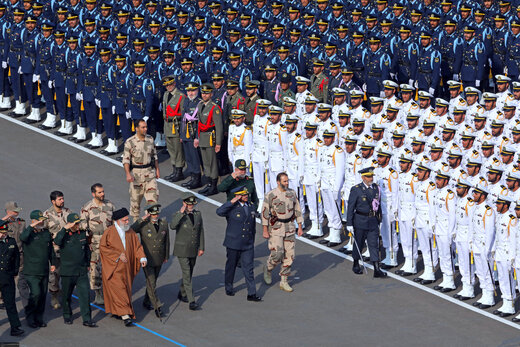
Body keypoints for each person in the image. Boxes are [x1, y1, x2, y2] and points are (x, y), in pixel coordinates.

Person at [100, 208, 147, 326]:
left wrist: (142, 258)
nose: (127, 222)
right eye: (125, 220)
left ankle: (117, 311)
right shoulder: (109, 232)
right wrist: (117, 255)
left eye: (127, 220)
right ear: (117, 221)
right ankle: (126, 315)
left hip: (127, 268)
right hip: (114, 268)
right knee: (120, 290)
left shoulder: (130, 231)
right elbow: (103, 248)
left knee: (126, 289)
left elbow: (137, 246)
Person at [216, 186, 262, 301]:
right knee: (231, 266)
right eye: (243, 195)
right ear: (237, 196)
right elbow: (219, 212)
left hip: (247, 243)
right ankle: (229, 286)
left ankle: (251, 293)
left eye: (246, 194)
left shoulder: (250, 205)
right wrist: (231, 202)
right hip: (234, 242)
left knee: (249, 268)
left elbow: (254, 219)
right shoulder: (232, 207)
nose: (246, 196)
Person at [261, 172, 303, 292]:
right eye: (284, 181)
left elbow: (297, 209)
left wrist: (299, 226)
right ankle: (268, 268)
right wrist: (265, 230)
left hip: (289, 226)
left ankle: (284, 281)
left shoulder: (292, 193)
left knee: (290, 255)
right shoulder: (271, 195)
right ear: (278, 182)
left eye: (287, 181)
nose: (287, 183)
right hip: (276, 227)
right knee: (277, 254)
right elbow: (264, 212)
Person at [54, 213, 97, 327]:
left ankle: (87, 318)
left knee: (85, 295)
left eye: (78, 223)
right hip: (68, 271)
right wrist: (64, 228)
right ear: (70, 224)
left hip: (81, 271)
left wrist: (87, 264)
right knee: (66, 295)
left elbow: (87, 250)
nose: (78, 225)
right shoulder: (63, 235)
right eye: (75, 223)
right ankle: (67, 315)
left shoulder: (82, 234)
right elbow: (57, 242)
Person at [346, 167, 387, 278]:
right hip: (360, 220)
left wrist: (380, 219)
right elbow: (350, 207)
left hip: (373, 220)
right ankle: (355, 263)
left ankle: (376, 269)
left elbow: (378, 206)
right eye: (368, 176)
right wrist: (349, 223)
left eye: (371, 176)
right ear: (363, 177)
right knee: (358, 243)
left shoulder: (376, 188)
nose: (370, 178)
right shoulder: (356, 189)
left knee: (374, 244)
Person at [131, 204, 169, 319]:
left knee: (153, 282)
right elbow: (131, 230)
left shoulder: (163, 224)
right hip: (147, 259)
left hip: (159, 258)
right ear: (149, 214)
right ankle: (157, 306)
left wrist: (166, 255)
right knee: (151, 282)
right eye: (153, 214)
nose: (155, 216)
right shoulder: (144, 225)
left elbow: (166, 241)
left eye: (157, 213)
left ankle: (147, 301)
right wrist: (142, 219)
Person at [80, 183, 115, 305]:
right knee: (95, 267)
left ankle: (109, 291)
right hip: (94, 240)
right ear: (93, 194)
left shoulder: (109, 205)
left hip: (109, 240)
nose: (102, 194)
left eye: (103, 191)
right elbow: (83, 227)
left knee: (109, 266)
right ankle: (98, 294)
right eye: (99, 192)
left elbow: (115, 223)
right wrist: (87, 243)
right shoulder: (87, 207)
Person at [21, 210, 55, 329]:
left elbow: (50, 250)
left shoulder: (45, 233)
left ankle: (39, 318)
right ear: (33, 221)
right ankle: (30, 317)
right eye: (39, 220)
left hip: (44, 270)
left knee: (42, 296)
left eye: (43, 220)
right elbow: (23, 237)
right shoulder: (28, 233)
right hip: (31, 271)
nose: (42, 222)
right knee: (35, 293)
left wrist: (53, 263)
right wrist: (32, 226)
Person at [170, 193, 204, 311]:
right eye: (188, 204)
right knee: (187, 273)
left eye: (192, 204)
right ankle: (192, 300)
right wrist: (181, 213)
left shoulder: (197, 215)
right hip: (182, 250)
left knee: (189, 271)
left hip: (193, 249)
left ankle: (182, 292)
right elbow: (172, 226)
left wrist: (201, 247)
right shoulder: (178, 215)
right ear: (184, 203)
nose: (191, 206)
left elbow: (201, 231)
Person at [122, 119, 160, 221]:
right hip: (136, 176)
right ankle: (136, 225)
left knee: (153, 202)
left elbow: (154, 156)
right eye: (143, 127)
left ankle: (151, 224)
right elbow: (126, 160)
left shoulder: (150, 139)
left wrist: (157, 170)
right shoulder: (130, 142)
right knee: (135, 204)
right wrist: (128, 174)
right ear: (137, 128)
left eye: (146, 127)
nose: (145, 129)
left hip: (149, 174)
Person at [44, 190, 70, 309]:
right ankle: (54, 296)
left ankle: (65, 295)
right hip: (54, 250)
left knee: (66, 274)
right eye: (60, 199)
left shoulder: (68, 212)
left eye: (63, 198)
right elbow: (43, 233)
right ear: (53, 201)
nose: (62, 201)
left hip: (67, 249)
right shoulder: (47, 215)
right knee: (54, 275)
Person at [2, 201, 29, 307]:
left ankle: (24, 302)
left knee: (20, 279)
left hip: (20, 254)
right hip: (7, 255)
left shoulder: (21, 222)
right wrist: (6, 217)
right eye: (14, 211)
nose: (17, 213)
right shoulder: (4, 223)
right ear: (8, 212)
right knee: (5, 279)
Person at [0, 220, 24, 336]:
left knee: (10, 303)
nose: (3, 234)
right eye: (1, 232)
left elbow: (16, 258)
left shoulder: (11, 242)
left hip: (7, 277)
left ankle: (15, 327)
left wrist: (14, 272)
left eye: (5, 232)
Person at [162, 75, 186, 183]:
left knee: (178, 150)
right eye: (166, 85)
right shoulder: (166, 94)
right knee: (171, 149)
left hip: (176, 125)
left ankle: (179, 171)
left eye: (170, 84)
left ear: (174, 84)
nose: (168, 87)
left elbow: (183, 114)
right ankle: (174, 170)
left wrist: (182, 129)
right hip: (167, 125)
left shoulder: (181, 96)